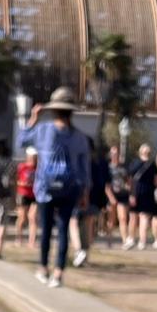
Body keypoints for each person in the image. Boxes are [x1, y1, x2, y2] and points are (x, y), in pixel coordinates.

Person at [33, 89, 90, 287]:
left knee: (47, 230)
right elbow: (84, 169)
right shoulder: (79, 137)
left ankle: (43, 268)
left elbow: (21, 140)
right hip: (70, 187)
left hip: (45, 188)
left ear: (53, 111)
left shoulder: (44, 130)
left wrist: (33, 118)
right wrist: (84, 192)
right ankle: (58, 274)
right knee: (64, 229)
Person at [130, 142, 157, 248]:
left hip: (136, 191)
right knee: (144, 217)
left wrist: (131, 194)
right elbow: (156, 181)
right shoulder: (153, 165)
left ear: (140, 152)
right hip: (149, 192)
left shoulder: (135, 163)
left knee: (133, 217)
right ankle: (142, 241)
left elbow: (130, 178)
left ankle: (131, 238)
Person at [109, 143, 133, 247]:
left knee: (123, 218)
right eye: (113, 154)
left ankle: (125, 240)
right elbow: (106, 183)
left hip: (122, 194)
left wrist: (129, 187)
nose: (115, 156)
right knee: (112, 219)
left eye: (117, 154)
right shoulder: (108, 167)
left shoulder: (124, 167)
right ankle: (109, 239)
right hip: (111, 194)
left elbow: (128, 179)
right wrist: (110, 196)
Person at [14, 145, 38, 246]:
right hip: (23, 193)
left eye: (35, 157)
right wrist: (22, 184)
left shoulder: (39, 167)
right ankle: (18, 239)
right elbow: (15, 180)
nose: (33, 159)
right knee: (22, 218)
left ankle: (31, 241)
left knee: (32, 217)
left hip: (35, 195)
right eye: (32, 157)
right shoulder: (22, 167)